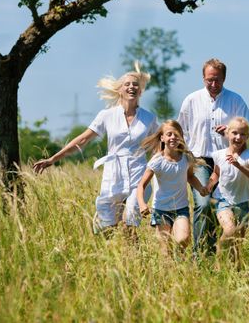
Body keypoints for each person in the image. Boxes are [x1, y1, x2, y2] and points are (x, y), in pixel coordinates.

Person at [33, 62, 158, 236]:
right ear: (119, 90)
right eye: (127, 84)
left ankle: (133, 260)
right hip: (114, 174)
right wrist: (53, 159)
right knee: (107, 229)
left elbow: (158, 147)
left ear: (140, 91)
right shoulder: (107, 115)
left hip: (138, 174)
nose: (131, 87)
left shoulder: (149, 118)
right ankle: (114, 258)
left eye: (135, 85)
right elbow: (83, 139)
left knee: (129, 222)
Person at [177, 58, 249, 257]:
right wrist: (183, 158)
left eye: (217, 80)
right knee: (203, 205)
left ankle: (222, 253)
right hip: (199, 160)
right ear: (203, 78)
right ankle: (200, 255)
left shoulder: (236, 100)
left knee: (224, 207)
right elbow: (181, 131)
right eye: (209, 79)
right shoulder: (191, 100)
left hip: (227, 161)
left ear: (224, 78)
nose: (213, 84)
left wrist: (230, 132)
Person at [137, 120, 208, 256]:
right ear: (162, 138)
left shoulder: (186, 158)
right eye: (169, 134)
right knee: (165, 251)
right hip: (161, 210)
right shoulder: (157, 161)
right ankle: (172, 270)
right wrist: (142, 204)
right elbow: (141, 185)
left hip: (181, 208)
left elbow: (190, 177)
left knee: (183, 239)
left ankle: (179, 257)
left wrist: (201, 188)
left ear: (181, 136)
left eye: (176, 134)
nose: (173, 137)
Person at [206, 117, 249, 266]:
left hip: (242, 202)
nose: (238, 137)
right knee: (230, 231)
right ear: (227, 134)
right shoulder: (219, 155)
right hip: (223, 200)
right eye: (235, 133)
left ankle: (235, 272)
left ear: (247, 136)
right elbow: (216, 173)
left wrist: (239, 165)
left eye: (243, 134)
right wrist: (208, 186)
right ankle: (218, 257)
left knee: (237, 244)